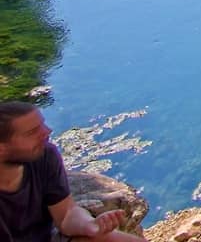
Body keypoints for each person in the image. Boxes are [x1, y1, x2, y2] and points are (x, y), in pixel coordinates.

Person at [0, 102, 140, 242]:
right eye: (32, 132)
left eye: (42, 125)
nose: (47, 132)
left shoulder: (45, 155)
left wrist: (90, 225)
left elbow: (66, 214)